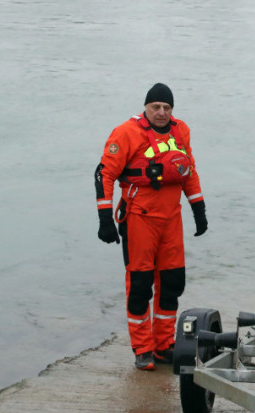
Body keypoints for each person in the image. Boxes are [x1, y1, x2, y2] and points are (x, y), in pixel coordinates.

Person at [94, 83, 208, 371]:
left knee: (172, 284)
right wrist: (105, 218)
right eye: (156, 107)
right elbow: (104, 174)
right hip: (139, 218)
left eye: (167, 108)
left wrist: (199, 209)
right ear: (146, 107)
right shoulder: (126, 133)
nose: (161, 112)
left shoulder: (181, 131)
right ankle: (142, 348)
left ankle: (164, 345)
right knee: (140, 287)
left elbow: (188, 171)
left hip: (171, 220)